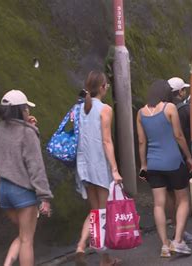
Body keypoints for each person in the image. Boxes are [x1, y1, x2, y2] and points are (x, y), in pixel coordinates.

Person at [137, 79, 192, 258]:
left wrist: (144, 165)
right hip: (173, 161)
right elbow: (178, 135)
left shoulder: (141, 113)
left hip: (153, 165)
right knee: (183, 200)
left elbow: (141, 142)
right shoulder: (170, 108)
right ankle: (178, 240)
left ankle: (164, 245)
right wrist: (189, 156)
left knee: (159, 205)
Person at [0, 89, 53, 266]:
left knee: (22, 234)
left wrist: (30, 127)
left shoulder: (1, 128)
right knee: (27, 240)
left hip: (4, 190)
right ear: (21, 110)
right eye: (26, 108)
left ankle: (7, 264)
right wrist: (44, 197)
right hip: (22, 192)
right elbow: (35, 166)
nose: (28, 111)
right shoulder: (27, 133)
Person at [74, 70, 123, 266]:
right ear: (102, 88)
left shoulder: (78, 108)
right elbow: (106, 141)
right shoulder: (105, 109)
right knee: (103, 211)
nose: (108, 88)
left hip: (83, 166)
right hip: (99, 166)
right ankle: (104, 257)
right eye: (107, 85)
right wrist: (115, 169)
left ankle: (81, 246)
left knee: (95, 212)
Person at [166, 77, 192, 244]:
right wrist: (189, 156)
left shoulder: (159, 109)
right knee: (182, 196)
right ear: (180, 92)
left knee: (170, 195)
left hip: (163, 157)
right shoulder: (185, 110)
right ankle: (181, 233)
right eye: (184, 90)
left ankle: (174, 227)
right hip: (181, 157)